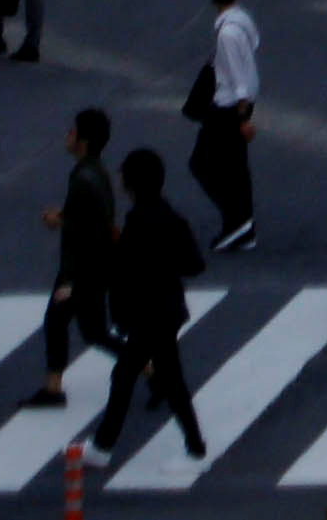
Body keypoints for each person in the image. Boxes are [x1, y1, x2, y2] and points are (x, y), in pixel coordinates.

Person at [88, 148, 209, 461]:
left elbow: (124, 269)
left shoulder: (139, 220)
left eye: (123, 174)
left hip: (149, 313)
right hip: (169, 308)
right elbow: (195, 264)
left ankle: (102, 446)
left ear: (132, 182)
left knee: (128, 374)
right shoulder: (170, 215)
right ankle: (194, 445)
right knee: (167, 377)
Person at [26, 108, 119, 409]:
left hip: (85, 267)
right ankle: (52, 387)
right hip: (95, 263)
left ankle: (154, 371)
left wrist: (68, 280)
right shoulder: (94, 171)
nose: (68, 135)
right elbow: (88, 217)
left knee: (92, 332)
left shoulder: (83, 178)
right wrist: (63, 216)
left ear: (83, 140)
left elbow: (82, 232)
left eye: (72, 131)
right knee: (66, 324)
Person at [188, 0, 261, 250]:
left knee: (202, 163)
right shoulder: (242, 20)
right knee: (235, 168)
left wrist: (242, 117)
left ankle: (237, 221)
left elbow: (238, 78)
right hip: (240, 105)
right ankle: (243, 225)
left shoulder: (227, 33)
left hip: (228, 107)